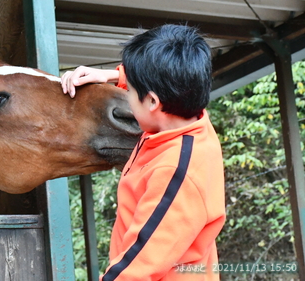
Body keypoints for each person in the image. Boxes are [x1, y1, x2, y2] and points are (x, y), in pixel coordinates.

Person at [61, 24, 226, 281]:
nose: (126, 95)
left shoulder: (175, 171)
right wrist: (111, 76)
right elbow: (171, 80)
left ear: (152, 102)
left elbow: (139, 265)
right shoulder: (186, 117)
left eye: (130, 92)